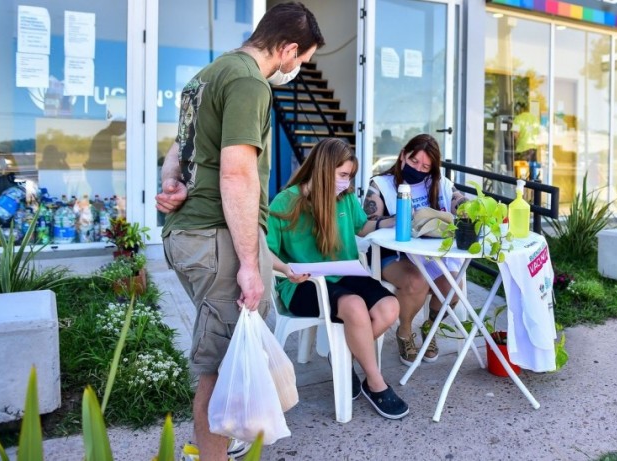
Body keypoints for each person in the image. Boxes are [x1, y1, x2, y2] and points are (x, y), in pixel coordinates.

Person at [155, 3, 324, 460]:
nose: (298, 69)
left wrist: (170, 181)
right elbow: (237, 175)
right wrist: (251, 264)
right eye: (302, 60)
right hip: (216, 238)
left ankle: (221, 447)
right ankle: (213, 454)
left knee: (225, 356)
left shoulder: (206, 75)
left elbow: (178, 147)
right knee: (219, 366)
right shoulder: (250, 82)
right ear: (287, 49)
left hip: (190, 232)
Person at [266, 138, 409, 420]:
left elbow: (362, 226)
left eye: (349, 177)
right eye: (343, 175)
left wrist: (393, 220)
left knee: (390, 307)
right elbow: (265, 251)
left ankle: (343, 355)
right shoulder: (286, 201)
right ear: (322, 169)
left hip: (345, 273)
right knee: (354, 306)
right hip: (303, 283)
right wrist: (285, 269)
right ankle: (375, 382)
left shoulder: (344, 199)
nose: (346, 183)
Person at [363, 133, 468, 366]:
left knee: (452, 286)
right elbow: (363, 227)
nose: (418, 169)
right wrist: (394, 220)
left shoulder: (439, 185)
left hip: (430, 252)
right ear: (403, 155)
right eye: (414, 161)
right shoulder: (381, 185)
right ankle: (405, 332)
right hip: (391, 253)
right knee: (415, 281)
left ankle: (430, 329)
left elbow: (461, 204)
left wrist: (468, 210)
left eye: (425, 166)